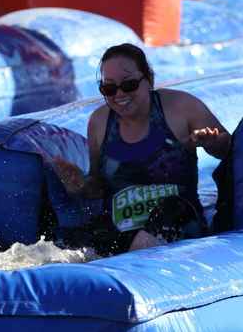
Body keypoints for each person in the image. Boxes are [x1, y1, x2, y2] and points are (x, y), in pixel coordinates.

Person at [52, 43, 232, 255]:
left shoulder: (181, 107)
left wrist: (213, 143)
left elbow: (230, 149)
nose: (119, 94)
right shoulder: (100, 122)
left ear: (148, 80)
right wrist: (80, 185)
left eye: (129, 85)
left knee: (173, 208)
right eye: (109, 88)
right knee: (65, 240)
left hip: (177, 219)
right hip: (123, 228)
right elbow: (98, 186)